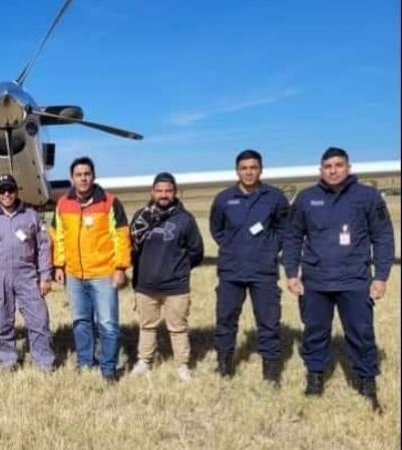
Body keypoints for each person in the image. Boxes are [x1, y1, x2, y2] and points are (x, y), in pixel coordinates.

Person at [283, 147, 394, 410]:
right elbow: (292, 236)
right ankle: (315, 377)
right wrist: (291, 273)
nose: (333, 171)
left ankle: (366, 380)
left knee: (361, 332)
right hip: (316, 281)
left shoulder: (368, 197)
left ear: (348, 167)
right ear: (320, 170)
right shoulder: (306, 198)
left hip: (354, 280)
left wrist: (381, 276)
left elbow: (383, 237)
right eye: (328, 166)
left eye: (338, 165)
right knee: (314, 332)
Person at [209, 150, 289, 385]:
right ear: (237, 171)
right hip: (231, 270)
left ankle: (271, 372)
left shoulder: (274, 197)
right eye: (244, 168)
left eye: (253, 167)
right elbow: (217, 229)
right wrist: (231, 246)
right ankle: (224, 366)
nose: (249, 172)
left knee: (268, 321)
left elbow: (284, 227)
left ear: (261, 170)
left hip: (263, 270)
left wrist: (270, 248)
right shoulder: (224, 198)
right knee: (225, 319)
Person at [51, 156, 131, 382]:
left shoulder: (109, 202)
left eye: (87, 174)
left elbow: (121, 236)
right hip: (74, 275)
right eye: (79, 174)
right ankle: (85, 362)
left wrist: (120, 267)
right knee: (80, 321)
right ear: (72, 178)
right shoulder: (62, 204)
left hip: (103, 273)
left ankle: (108, 369)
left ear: (93, 176)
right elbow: (58, 236)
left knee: (107, 324)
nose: (83, 178)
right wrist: (58, 265)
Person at [0, 174, 55, 372]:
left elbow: (43, 247)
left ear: (17, 191)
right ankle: (7, 360)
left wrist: (45, 276)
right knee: (0, 321)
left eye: (10, 189)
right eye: (2, 190)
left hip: (27, 275)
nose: (7, 194)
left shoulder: (31, 216)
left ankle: (44, 361)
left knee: (39, 319)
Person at [129, 172, 204, 381]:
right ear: (152, 192)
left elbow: (196, 251)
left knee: (178, 328)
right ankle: (145, 361)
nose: (163, 195)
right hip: (146, 284)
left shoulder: (185, 219)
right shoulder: (141, 217)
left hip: (176, 286)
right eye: (159, 190)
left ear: (175, 192)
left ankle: (182, 365)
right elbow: (131, 248)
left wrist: (178, 268)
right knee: (147, 326)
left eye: (168, 191)